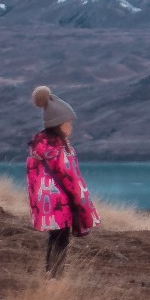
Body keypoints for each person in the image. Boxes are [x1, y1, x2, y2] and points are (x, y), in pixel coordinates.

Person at [26, 85, 99, 278]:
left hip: (47, 203)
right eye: (69, 122)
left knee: (55, 237)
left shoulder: (38, 148)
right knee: (61, 239)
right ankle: (55, 277)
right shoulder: (59, 150)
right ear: (59, 124)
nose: (71, 126)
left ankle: (50, 274)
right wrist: (83, 206)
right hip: (61, 202)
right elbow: (71, 179)